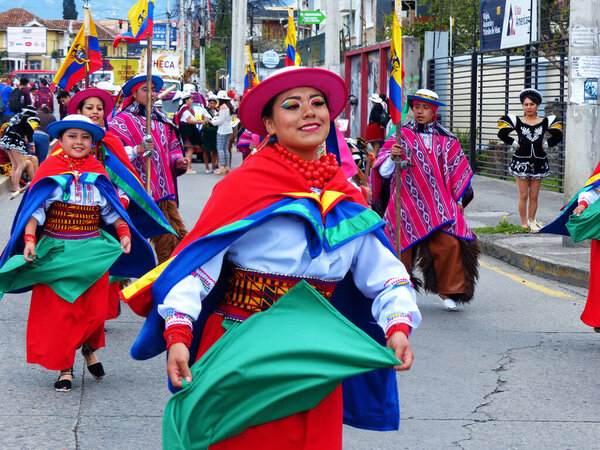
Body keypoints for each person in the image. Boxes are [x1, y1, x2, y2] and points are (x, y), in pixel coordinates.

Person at [121, 66, 421, 447]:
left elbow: (385, 273)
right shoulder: (243, 187)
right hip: (243, 343)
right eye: (292, 106)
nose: (309, 112)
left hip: (316, 355)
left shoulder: (347, 194)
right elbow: (197, 268)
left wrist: (397, 323)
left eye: (317, 103)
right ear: (269, 123)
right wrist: (179, 331)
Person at [0, 115, 155, 392]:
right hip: (58, 250)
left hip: (92, 249)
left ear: (92, 142)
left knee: (93, 311)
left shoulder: (98, 170)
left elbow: (113, 212)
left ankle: (88, 349)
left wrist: (125, 233)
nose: (79, 142)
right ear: (61, 140)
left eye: (85, 137)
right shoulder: (49, 168)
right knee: (62, 312)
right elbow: (35, 210)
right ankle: (65, 367)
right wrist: (30, 238)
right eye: (72, 136)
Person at [68, 87, 177, 320]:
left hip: (107, 209)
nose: (95, 112)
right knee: (78, 265)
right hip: (73, 214)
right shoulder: (67, 140)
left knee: (107, 258)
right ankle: (79, 311)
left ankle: (101, 311)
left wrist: (123, 196)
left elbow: (120, 166)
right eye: (89, 108)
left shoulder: (110, 138)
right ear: (79, 110)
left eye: (99, 108)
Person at [370, 89, 480, 311]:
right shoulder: (399, 135)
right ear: (411, 109)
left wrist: (457, 199)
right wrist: (392, 158)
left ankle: (449, 292)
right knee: (398, 247)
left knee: (449, 242)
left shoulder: (448, 139)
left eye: (425, 108)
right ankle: (399, 290)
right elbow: (382, 173)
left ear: (434, 111)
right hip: (405, 199)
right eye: (416, 107)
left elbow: (459, 172)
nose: (420, 112)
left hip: (438, 201)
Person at [109, 74, 189, 264]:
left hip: (162, 192)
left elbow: (173, 149)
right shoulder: (118, 123)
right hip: (132, 194)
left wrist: (178, 161)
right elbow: (114, 156)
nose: (152, 94)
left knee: (172, 239)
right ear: (134, 94)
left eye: (154, 90)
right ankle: (119, 288)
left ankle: (168, 282)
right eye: (146, 90)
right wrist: (137, 150)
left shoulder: (162, 120)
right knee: (127, 243)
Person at [497, 88, 563, 232]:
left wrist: (546, 144)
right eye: (526, 104)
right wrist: (515, 143)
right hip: (521, 162)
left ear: (537, 105)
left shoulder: (545, 122)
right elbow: (502, 133)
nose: (529, 107)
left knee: (534, 195)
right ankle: (523, 223)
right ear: (523, 106)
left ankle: (532, 221)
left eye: (532, 104)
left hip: (539, 162)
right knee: (524, 195)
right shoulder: (518, 121)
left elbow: (558, 135)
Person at [0, 105, 40, 192]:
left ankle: (15, 185)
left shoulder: (17, 116)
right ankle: (16, 186)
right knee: (21, 164)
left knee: (15, 164)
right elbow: (30, 132)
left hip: (6, 141)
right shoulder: (30, 119)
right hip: (16, 141)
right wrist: (32, 144)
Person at [174, 92, 203, 174]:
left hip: (186, 130)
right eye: (190, 99)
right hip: (187, 131)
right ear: (186, 100)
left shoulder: (183, 108)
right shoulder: (185, 109)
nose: (192, 101)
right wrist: (200, 121)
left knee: (187, 150)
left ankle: (187, 166)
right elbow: (189, 121)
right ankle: (188, 167)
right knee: (190, 149)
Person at [211, 90, 234, 175]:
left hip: (222, 130)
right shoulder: (229, 106)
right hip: (228, 129)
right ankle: (227, 166)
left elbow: (221, 120)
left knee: (220, 148)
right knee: (225, 149)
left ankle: (222, 167)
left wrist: (212, 122)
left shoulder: (222, 107)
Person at [200, 94, 218, 173]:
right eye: (211, 103)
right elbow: (204, 118)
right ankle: (207, 166)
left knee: (215, 150)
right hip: (207, 130)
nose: (212, 105)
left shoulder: (217, 111)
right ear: (209, 103)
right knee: (206, 149)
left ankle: (213, 167)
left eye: (214, 103)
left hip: (215, 130)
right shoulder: (205, 110)